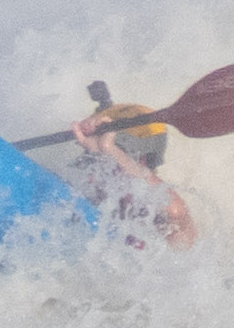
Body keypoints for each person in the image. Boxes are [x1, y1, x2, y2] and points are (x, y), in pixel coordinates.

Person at [73, 80, 199, 246]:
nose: (97, 172)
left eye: (114, 159)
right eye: (93, 157)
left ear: (143, 161)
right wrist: (103, 149)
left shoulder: (167, 214)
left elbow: (174, 212)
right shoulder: (88, 184)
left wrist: (109, 149)